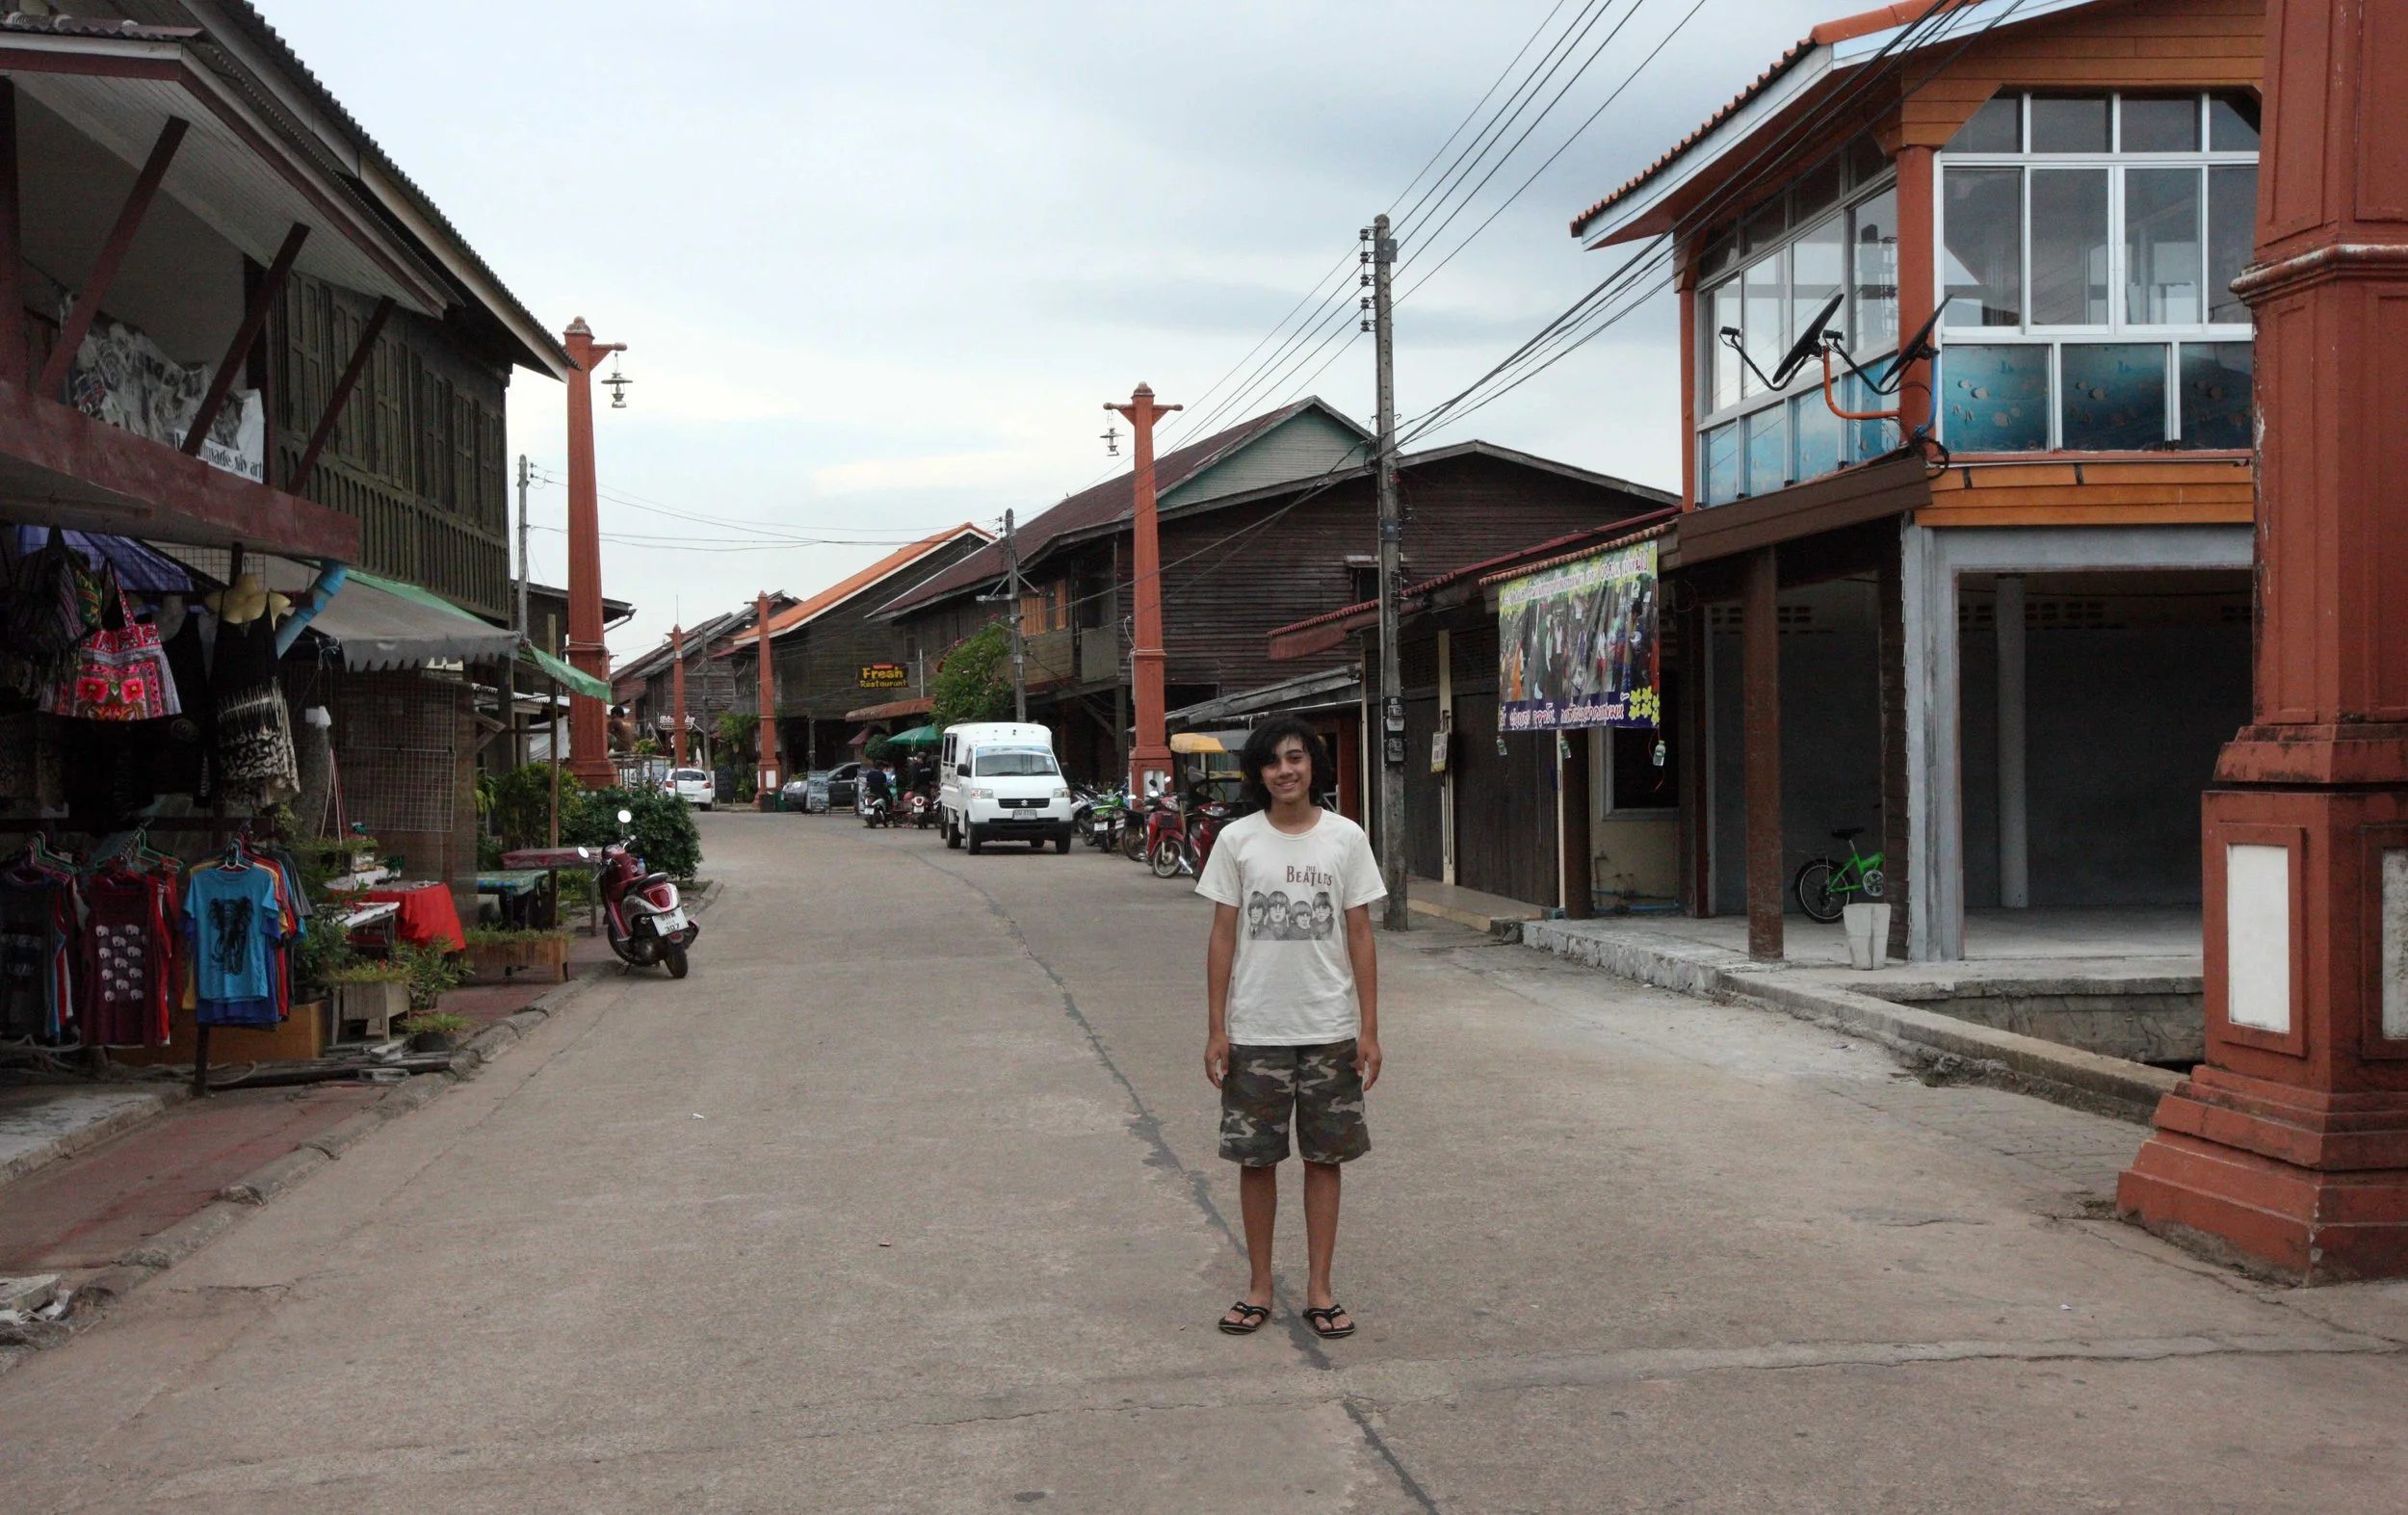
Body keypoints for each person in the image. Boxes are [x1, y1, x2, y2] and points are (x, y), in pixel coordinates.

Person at [1196, 717, 1385, 1340]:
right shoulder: (1237, 840)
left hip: (1329, 1028)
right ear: (1258, 773)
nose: (1286, 770)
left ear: (1313, 765)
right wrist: (1217, 1027)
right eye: (1273, 761)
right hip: (1256, 1030)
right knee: (1256, 1161)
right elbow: (1223, 935)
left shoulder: (1346, 838)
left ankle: (1320, 1289)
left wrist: (1369, 1028)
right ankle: (1258, 1287)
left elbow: (1360, 934)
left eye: (1296, 757)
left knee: (1325, 1160)